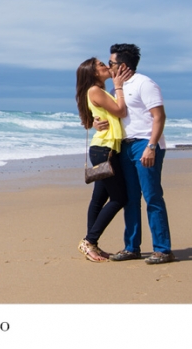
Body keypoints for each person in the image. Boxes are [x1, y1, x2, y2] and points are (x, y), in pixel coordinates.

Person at [96, 43, 175, 265]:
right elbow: (115, 116)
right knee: (130, 198)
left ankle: (163, 249)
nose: (108, 67)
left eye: (110, 63)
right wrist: (96, 123)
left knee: (152, 196)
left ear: (122, 65)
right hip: (124, 146)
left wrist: (151, 146)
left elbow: (159, 117)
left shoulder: (145, 84)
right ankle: (132, 247)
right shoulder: (115, 89)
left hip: (145, 144)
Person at [74, 57, 131, 262]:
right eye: (100, 65)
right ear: (93, 73)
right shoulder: (95, 90)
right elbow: (121, 111)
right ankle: (89, 240)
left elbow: (93, 118)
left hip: (105, 148)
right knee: (119, 198)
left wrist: (96, 123)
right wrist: (119, 87)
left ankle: (92, 246)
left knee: (99, 199)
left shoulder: (96, 91)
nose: (106, 66)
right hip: (104, 150)